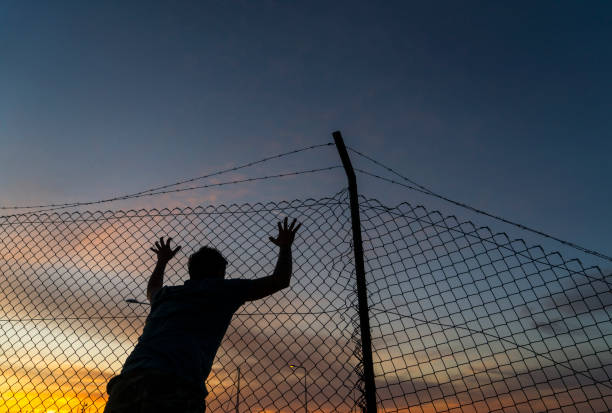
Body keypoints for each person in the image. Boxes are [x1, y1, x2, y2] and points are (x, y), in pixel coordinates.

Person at [103, 217, 302, 413]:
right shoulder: (224, 290)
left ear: (191, 271)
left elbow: (152, 289)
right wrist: (285, 246)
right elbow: (280, 280)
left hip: (129, 382)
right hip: (177, 387)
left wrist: (162, 261)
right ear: (220, 272)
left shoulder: (168, 294)